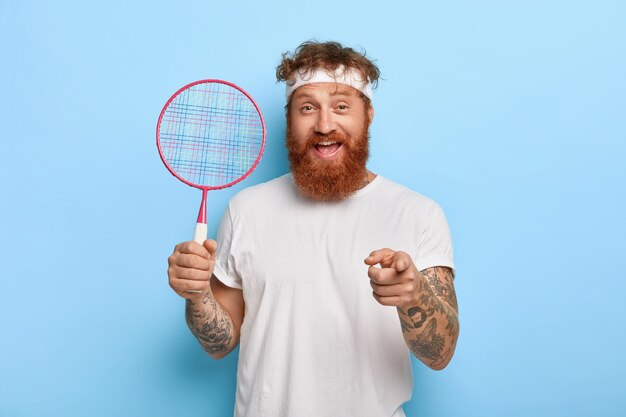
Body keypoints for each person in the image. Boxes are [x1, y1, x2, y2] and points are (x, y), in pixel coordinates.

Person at [167, 41, 459, 417]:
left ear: (367, 114)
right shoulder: (247, 209)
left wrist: (414, 295)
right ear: (290, 117)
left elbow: (442, 354)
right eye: (308, 107)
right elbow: (219, 344)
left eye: (341, 106)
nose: (324, 125)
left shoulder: (419, 213)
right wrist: (196, 295)